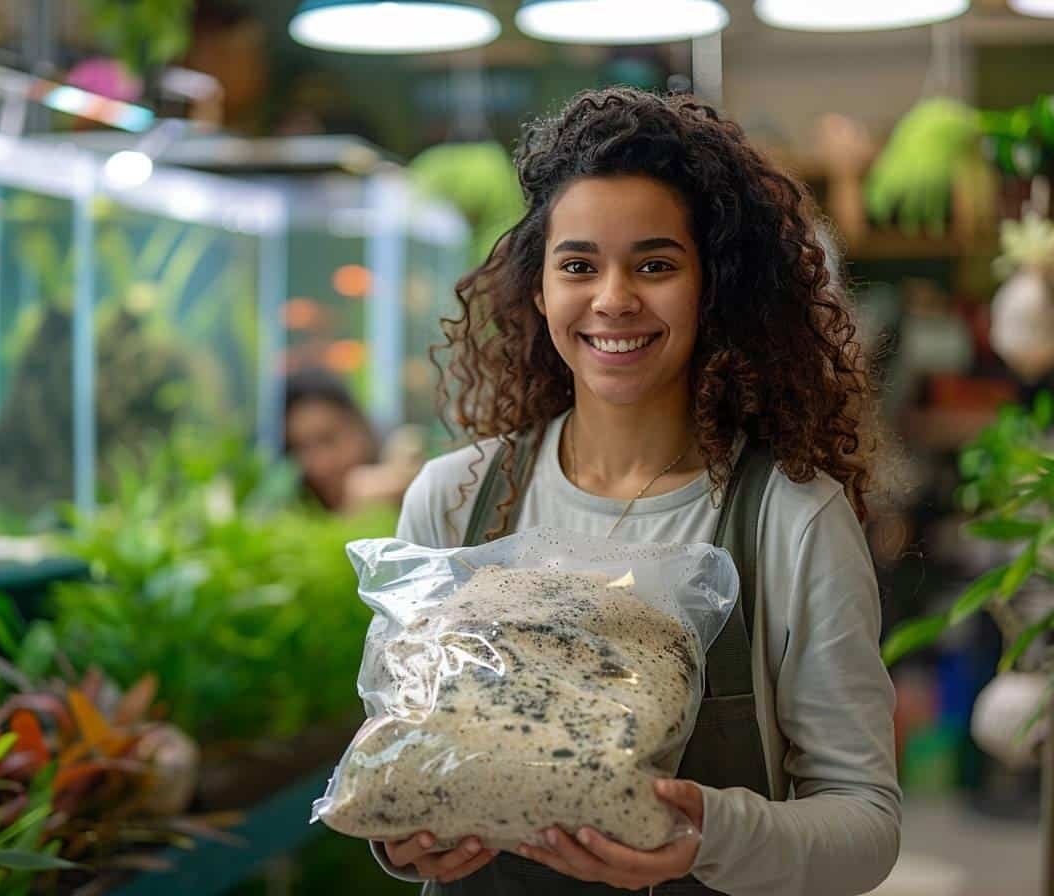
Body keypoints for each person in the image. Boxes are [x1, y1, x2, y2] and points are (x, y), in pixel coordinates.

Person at [373, 87, 901, 896]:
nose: (613, 298)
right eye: (579, 265)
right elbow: (396, 748)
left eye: (655, 264)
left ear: (713, 288)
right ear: (540, 288)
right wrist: (401, 837)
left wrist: (710, 834)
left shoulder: (790, 519)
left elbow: (865, 824)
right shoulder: (455, 499)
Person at [284, 368, 422, 513]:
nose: (319, 465)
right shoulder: (292, 501)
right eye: (300, 448)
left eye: (328, 440)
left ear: (360, 427)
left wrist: (393, 480)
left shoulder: (393, 444)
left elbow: (409, 446)